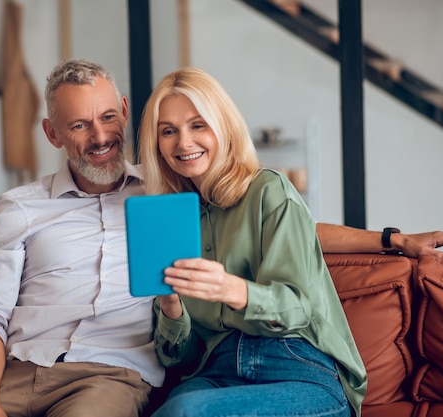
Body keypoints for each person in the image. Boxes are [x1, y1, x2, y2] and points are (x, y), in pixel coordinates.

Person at [0, 59, 443, 417]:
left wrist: (392, 239)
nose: (100, 136)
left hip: (148, 374)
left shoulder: (199, 194)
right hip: (34, 364)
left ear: (124, 112)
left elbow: (285, 233)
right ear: (55, 134)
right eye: (79, 124)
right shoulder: (50, 207)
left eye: (108, 118)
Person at [137, 67, 367, 417]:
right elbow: (179, 359)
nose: (183, 142)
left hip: (297, 366)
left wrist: (232, 289)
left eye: (198, 125)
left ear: (223, 127)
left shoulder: (269, 191)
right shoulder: (167, 219)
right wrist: (171, 307)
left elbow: (299, 308)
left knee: (184, 411)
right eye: (168, 131)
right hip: (215, 371)